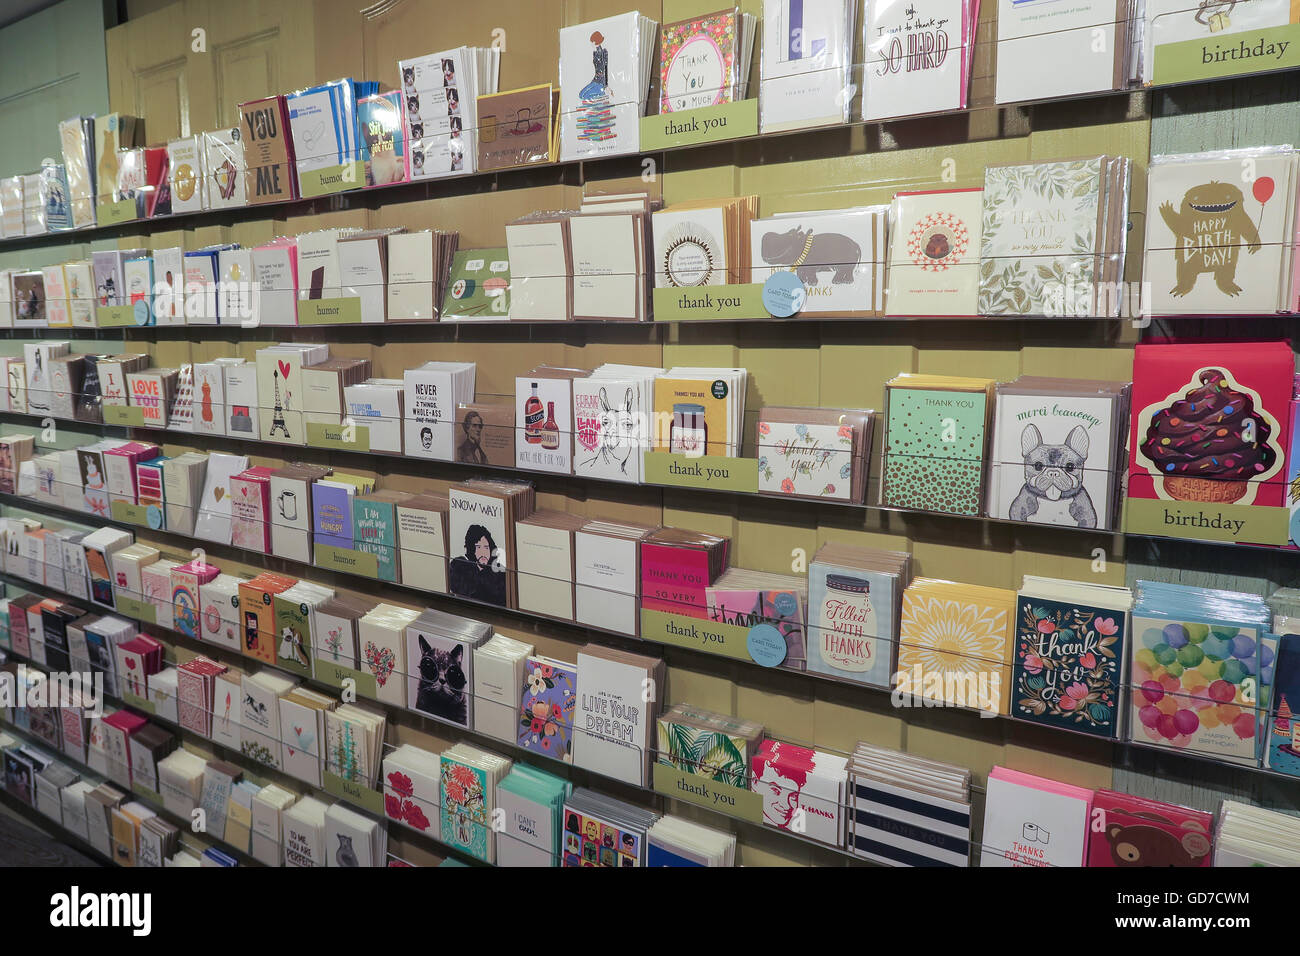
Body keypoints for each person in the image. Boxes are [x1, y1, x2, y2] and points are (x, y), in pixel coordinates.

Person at [448, 523, 506, 605]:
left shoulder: (500, 573)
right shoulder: (463, 570)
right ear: (471, 549)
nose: (483, 552)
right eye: (478, 547)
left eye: (486, 547)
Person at [581, 30, 610, 101]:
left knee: (584, 95)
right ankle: (601, 96)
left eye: (592, 42)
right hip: (595, 80)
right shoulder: (594, 53)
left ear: (594, 42)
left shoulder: (604, 52)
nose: (591, 44)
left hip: (600, 81)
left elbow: (605, 68)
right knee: (581, 95)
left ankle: (601, 96)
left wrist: (606, 85)